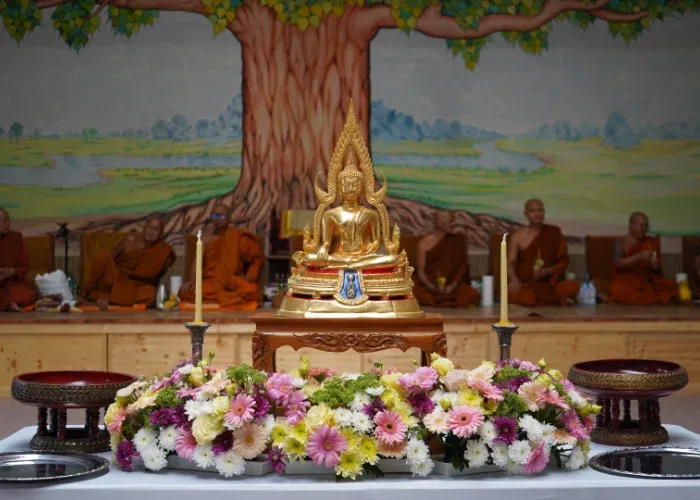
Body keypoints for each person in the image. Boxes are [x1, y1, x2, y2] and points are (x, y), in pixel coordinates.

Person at [179, 203, 264, 310]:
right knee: (185, 292)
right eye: (215, 216)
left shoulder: (237, 237)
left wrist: (249, 277)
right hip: (211, 282)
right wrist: (192, 281)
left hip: (232, 281)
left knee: (249, 290)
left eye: (222, 215)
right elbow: (197, 261)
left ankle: (216, 301)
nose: (218, 219)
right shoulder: (205, 238)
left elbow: (257, 259)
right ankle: (228, 300)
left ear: (229, 217)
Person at [82, 215, 175, 309]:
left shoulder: (163, 250)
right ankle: (87, 294)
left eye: (156, 229)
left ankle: (106, 299)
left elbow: (157, 276)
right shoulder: (129, 239)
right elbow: (111, 258)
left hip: (137, 285)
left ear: (160, 234)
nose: (152, 232)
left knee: (150, 294)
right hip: (117, 280)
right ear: (144, 227)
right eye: (150, 227)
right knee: (102, 257)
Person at [507, 199, 579, 306]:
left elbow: (564, 260)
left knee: (573, 286)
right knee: (511, 293)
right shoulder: (517, 236)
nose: (537, 214)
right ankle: (556, 299)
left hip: (551, 283)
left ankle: (547, 298)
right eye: (533, 211)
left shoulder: (554, 232)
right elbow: (509, 262)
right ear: (526, 214)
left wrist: (548, 270)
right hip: (527, 284)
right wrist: (513, 280)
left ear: (544, 212)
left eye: (540, 210)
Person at [412, 210, 480, 307]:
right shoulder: (425, 243)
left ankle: (443, 299)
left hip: (453, 286)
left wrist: (453, 286)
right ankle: (442, 299)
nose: (453, 224)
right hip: (429, 285)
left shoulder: (458, 239)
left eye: (453, 221)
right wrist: (431, 287)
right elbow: (421, 271)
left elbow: (462, 267)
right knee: (413, 293)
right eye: (449, 222)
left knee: (474, 295)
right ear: (438, 223)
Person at [608, 212, 677, 305]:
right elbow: (618, 263)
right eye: (640, 225)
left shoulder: (650, 242)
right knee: (620, 290)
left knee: (673, 286)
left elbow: (657, 269)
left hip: (646, 281)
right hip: (627, 282)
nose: (642, 229)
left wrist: (655, 265)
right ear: (631, 225)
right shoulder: (621, 242)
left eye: (645, 226)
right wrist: (639, 256)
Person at [0, 207, 37, 311]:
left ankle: (11, 303)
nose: (7, 224)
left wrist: (12, 271)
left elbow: (25, 266)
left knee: (25, 293)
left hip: (10, 284)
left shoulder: (15, 238)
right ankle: (10, 304)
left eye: (7, 220)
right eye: (2, 221)